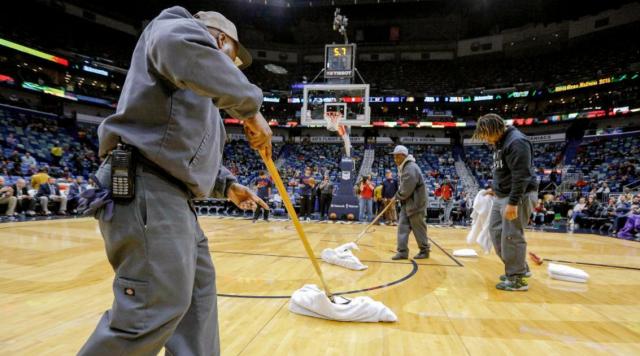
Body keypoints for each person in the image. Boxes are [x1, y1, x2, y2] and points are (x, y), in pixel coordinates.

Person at [78, 7, 271, 356]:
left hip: (174, 198)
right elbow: (177, 46)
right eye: (233, 60)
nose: (233, 71)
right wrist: (251, 108)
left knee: (198, 305)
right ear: (220, 40)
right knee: (150, 312)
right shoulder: (175, 26)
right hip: (146, 187)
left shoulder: (201, 98)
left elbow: (180, 151)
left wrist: (227, 185)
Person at [473, 113, 538, 292]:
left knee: (511, 236)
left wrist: (513, 202)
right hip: (502, 196)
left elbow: (521, 175)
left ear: (497, 128)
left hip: (517, 197)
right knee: (495, 232)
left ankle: (517, 278)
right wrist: (495, 188)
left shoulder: (517, 142)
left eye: (487, 134)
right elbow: (505, 171)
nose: (485, 139)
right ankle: (519, 268)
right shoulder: (499, 142)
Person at [390, 145, 430, 260]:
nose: (395, 159)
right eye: (394, 157)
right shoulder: (405, 166)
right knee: (402, 227)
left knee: (419, 228)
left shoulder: (410, 167)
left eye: (397, 157)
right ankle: (402, 251)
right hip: (407, 203)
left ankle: (424, 250)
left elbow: (407, 188)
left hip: (416, 204)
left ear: (404, 156)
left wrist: (397, 196)